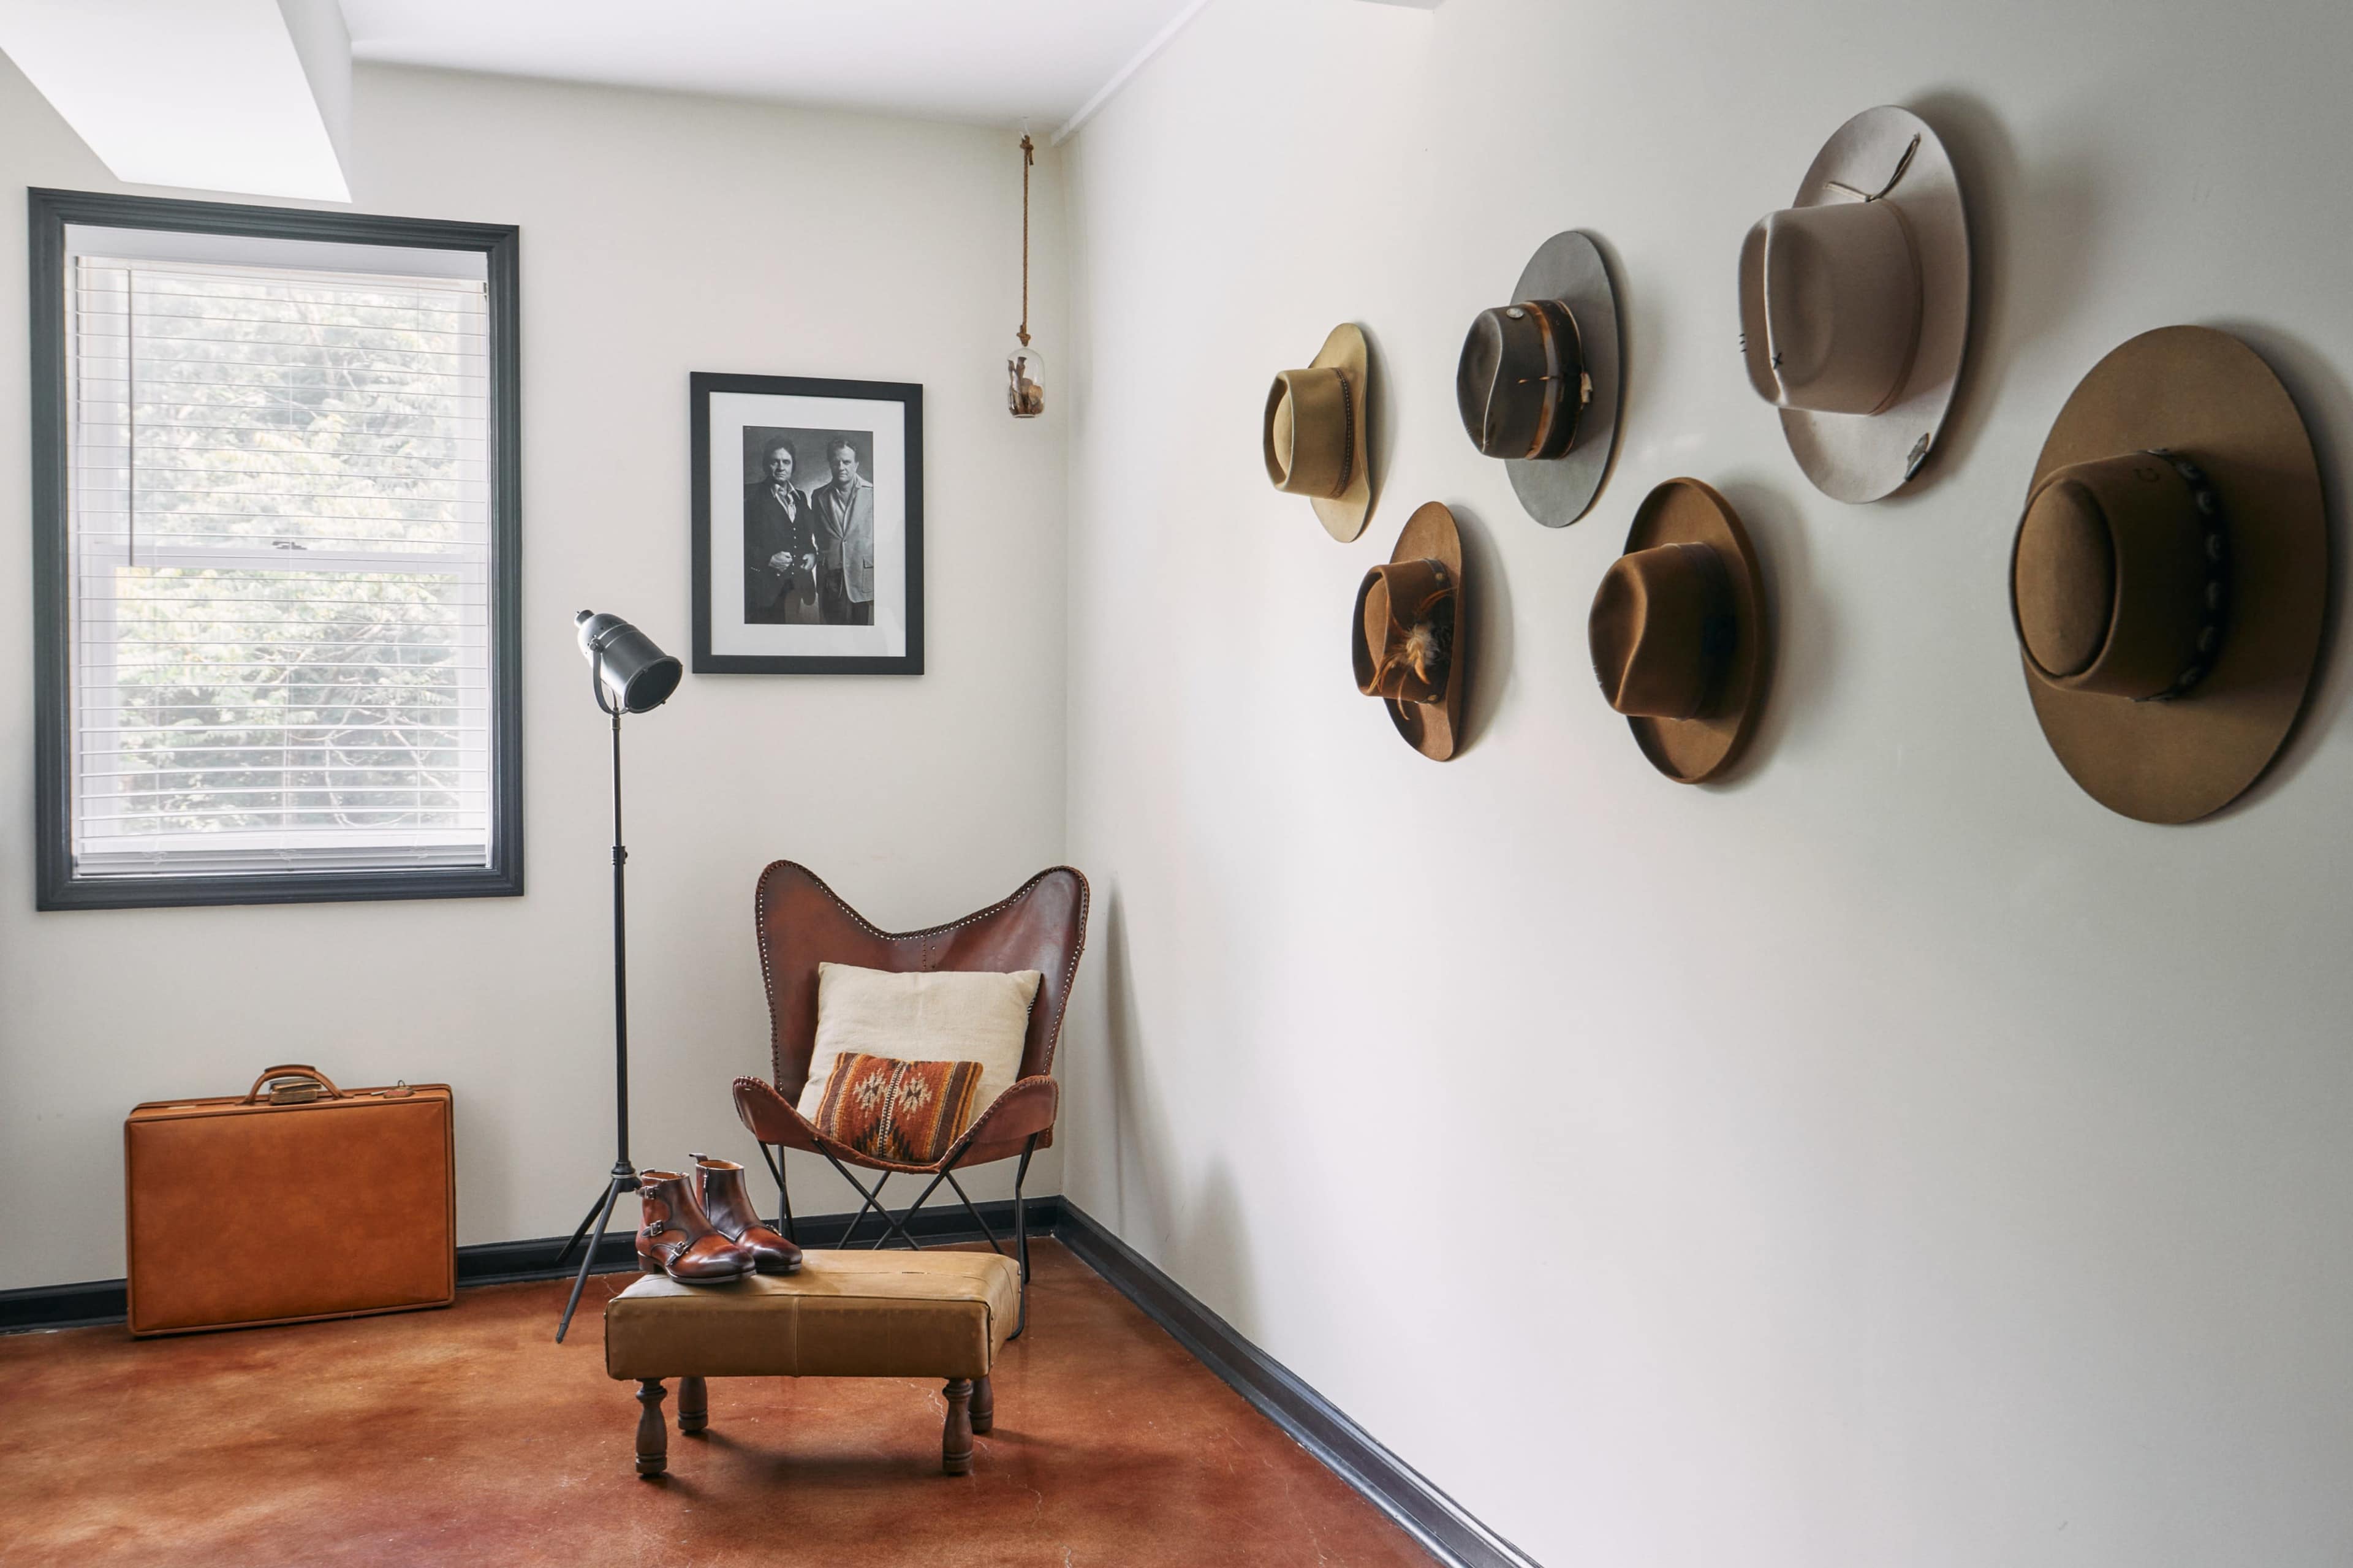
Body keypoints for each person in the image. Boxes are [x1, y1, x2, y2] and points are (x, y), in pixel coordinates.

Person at [743, 441, 819, 625]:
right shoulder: (750, 495)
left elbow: (805, 537)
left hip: (796, 585)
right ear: (765, 465)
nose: (780, 467)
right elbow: (732, 542)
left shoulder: (800, 496)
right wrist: (766, 559)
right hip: (764, 587)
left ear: (793, 465)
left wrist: (812, 554)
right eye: (774, 462)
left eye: (786, 462)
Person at [811, 437, 876, 626]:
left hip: (862, 575)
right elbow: (817, 534)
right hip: (831, 577)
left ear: (856, 464)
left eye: (846, 462)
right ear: (830, 464)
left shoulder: (873, 493)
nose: (841, 467)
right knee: (833, 638)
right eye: (836, 462)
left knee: (862, 638)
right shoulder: (818, 495)